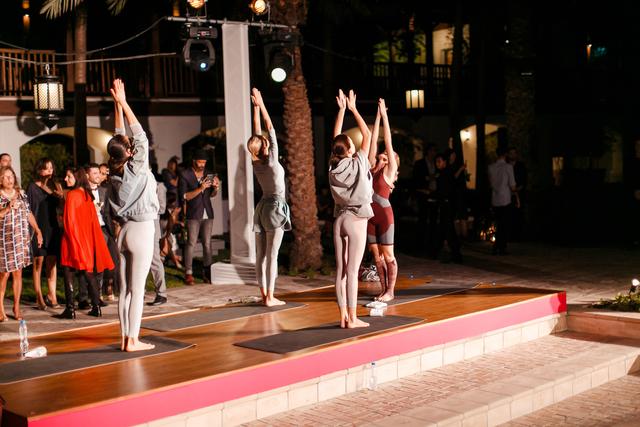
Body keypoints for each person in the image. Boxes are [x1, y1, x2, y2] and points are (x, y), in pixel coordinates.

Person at [108, 78, 159, 352]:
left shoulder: (115, 168)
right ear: (129, 152)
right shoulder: (136, 167)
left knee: (125, 290)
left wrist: (117, 105)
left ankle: (124, 338)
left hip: (124, 231)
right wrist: (125, 103)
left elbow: (119, 138)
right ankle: (133, 340)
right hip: (141, 230)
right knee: (137, 290)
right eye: (130, 147)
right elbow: (140, 135)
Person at [330, 89, 374, 329]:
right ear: (349, 150)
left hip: (340, 218)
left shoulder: (333, 167)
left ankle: (342, 316)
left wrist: (340, 111)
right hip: (356, 219)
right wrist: (354, 109)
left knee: (341, 271)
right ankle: (353, 318)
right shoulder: (359, 162)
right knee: (353, 270)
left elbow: (336, 138)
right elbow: (367, 133)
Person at [248, 88, 291, 306]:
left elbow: (257, 133)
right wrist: (262, 104)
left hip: (262, 208)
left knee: (261, 255)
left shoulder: (255, 161)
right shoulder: (272, 161)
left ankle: (264, 293)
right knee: (272, 255)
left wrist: (255, 108)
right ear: (265, 146)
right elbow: (270, 128)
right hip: (275, 208)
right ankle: (270, 298)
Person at [58, 168, 115, 319]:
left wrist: (73, 241)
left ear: (77, 178)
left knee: (68, 272)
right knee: (88, 273)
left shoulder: (72, 195)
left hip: (72, 239)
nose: (65, 179)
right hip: (86, 240)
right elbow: (92, 222)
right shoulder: (87, 195)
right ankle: (96, 307)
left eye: (69, 176)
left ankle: (70, 309)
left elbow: (69, 221)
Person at [366, 98, 399, 302]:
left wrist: (386, 117)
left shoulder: (388, 172)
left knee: (388, 256)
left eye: (388, 157)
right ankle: (383, 290)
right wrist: (377, 116)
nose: (384, 156)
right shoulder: (371, 167)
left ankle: (390, 291)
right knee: (376, 257)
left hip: (385, 217)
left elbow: (387, 140)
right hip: (370, 217)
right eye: (384, 155)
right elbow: (373, 141)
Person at [0, 166, 42, 321]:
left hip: (19, 239)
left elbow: (28, 213)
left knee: (18, 273)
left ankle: (16, 307)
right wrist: (7, 208)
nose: (9, 179)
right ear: (0, 180)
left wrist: (37, 230)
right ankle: (0, 308)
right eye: (6, 177)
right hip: (4, 240)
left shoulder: (21, 194)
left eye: (11, 176)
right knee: (4, 274)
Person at [178, 149, 220, 284]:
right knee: (191, 243)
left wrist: (216, 188)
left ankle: (207, 272)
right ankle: (188, 273)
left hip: (208, 213)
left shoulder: (208, 174)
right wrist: (201, 188)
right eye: (200, 162)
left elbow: (211, 195)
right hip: (193, 214)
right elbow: (185, 196)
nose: (202, 165)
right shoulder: (185, 175)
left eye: (204, 162)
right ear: (194, 161)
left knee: (207, 243)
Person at [26, 158, 63, 310]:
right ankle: (39, 297)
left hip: (52, 228)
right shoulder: (32, 187)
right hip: (38, 228)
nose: (50, 170)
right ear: (40, 170)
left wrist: (61, 197)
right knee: (39, 262)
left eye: (51, 168)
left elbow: (61, 208)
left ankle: (52, 295)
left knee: (52, 262)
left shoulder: (55, 186)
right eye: (46, 168)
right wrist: (34, 230)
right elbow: (28, 210)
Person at [86, 163, 118, 302]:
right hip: (92, 229)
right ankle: (96, 294)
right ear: (87, 175)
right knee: (97, 263)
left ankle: (109, 287)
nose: (98, 175)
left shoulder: (104, 191)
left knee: (112, 260)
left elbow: (110, 211)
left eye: (99, 173)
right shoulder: (83, 192)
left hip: (106, 228)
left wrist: (116, 225)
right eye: (95, 173)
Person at [488, 146, 519, 255]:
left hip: (495, 198)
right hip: (505, 198)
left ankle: (497, 246)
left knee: (499, 223)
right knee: (504, 224)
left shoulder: (491, 167)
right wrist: (516, 194)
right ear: (505, 155)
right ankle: (500, 247)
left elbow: (491, 184)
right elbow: (512, 185)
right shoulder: (508, 167)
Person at [433, 153, 463, 263]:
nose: (437, 164)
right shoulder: (444, 173)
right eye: (436, 162)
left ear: (445, 162)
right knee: (445, 229)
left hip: (447, 205)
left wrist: (435, 195)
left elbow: (447, 191)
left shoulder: (446, 173)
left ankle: (455, 255)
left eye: (439, 161)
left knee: (448, 230)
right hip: (446, 205)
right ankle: (440, 252)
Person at [412, 143, 438, 257]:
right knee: (422, 219)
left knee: (433, 220)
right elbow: (416, 178)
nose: (434, 153)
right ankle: (420, 244)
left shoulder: (436, 163)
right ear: (428, 152)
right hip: (423, 194)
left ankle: (431, 244)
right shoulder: (420, 163)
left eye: (435, 151)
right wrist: (428, 178)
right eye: (432, 151)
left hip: (433, 194)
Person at [147, 180, 168, 306]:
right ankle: (139, 292)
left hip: (152, 227)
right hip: (138, 227)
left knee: (155, 261)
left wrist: (145, 206)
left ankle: (161, 293)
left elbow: (162, 208)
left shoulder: (159, 186)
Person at [507, 147, 527, 241]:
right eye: (511, 153)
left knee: (518, 215)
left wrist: (516, 190)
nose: (512, 155)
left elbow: (524, 181)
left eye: (514, 153)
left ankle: (518, 236)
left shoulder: (521, 166)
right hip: (507, 194)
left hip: (519, 193)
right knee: (509, 215)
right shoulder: (506, 166)